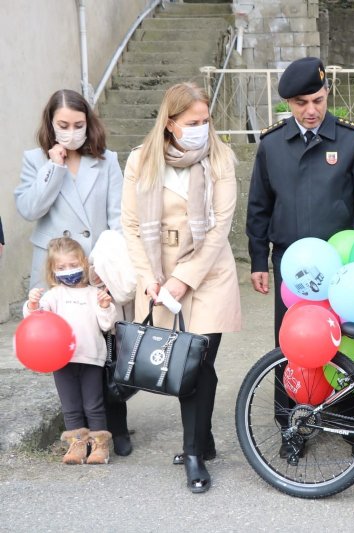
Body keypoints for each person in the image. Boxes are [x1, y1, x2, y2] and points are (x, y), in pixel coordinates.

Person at [245, 57, 354, 459]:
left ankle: (352, 420)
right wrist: (257, 260)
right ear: (289, 103)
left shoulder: (352, 141)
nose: (312, 109)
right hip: (291, 269)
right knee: (293, 345)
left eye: (319, 100)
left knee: (347, 345)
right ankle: (293, 424)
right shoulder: (272, 145)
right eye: (302, 102)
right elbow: (259, 208)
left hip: (340, 268)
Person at [121, 82, 241, 493]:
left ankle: (192, 453)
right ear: (170, 123)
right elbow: (132, 226)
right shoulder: (141, 159)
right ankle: (203, 439)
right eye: (193, 122)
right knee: (177, 362)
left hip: (207, 272)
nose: (202, 129)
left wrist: (181, 279)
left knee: (198, 362)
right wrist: (150, 277)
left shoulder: (220, 157)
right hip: (156, 270)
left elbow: (220, 227)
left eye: (206, 121)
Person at [13, 89, 132, 457]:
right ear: (51, 124)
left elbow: (117, 217)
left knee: (107, 347)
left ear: (89, 123)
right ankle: (76, 429)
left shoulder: (107, 159)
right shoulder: (36, 160)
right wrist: (54, 166)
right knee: (63, 352)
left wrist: (104, 263)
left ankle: (114, 424)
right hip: (55, 271)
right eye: (63, 125)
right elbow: (30, 209)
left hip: (94, 266)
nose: (71, 132)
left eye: (78, 125)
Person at [24, 237, 116, 465]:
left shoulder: (94, 294)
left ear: (84, 264)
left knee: (93, 405)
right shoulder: (54, 296)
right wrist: (32, 306)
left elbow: (106, 325)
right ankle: (77, 444)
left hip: (92, 357)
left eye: (73, 265)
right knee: (71, 406)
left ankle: (100, 446)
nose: (68, 271)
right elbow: (37, 322)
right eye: (61, 267)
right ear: (53, 271)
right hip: (62, 360)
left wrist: (106, 306)